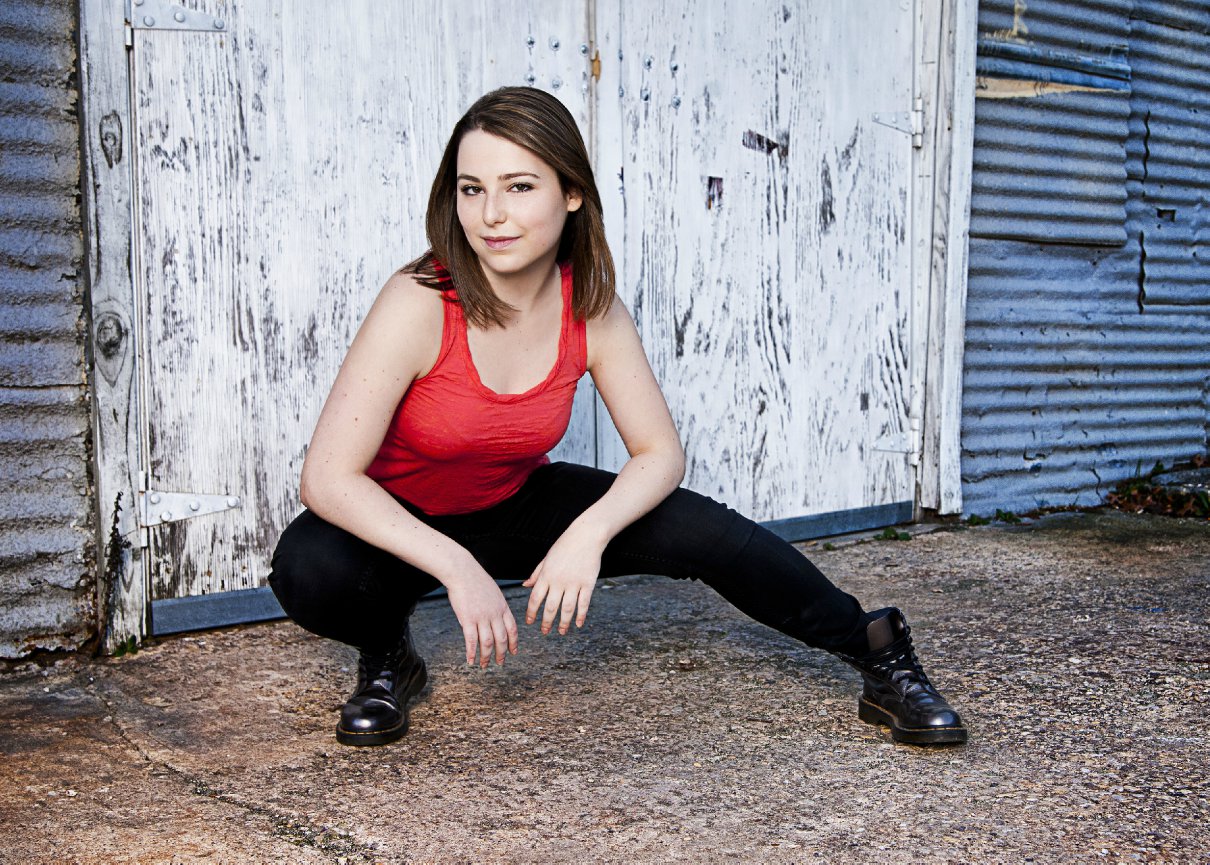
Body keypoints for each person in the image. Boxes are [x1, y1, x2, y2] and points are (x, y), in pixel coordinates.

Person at [268, 86, 967, 748]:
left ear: (571, 193)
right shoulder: (419, 299)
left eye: (520, 187)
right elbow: (328, 477)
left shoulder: (590, 306)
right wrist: (455, 566)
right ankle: (388, 654)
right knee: (309, 567)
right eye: (472, 189)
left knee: (704, 528)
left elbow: (659, 452)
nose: (491, 215)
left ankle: (878, 652)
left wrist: (588, 534)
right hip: (395, 523)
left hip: (510, 502)